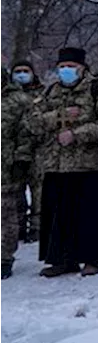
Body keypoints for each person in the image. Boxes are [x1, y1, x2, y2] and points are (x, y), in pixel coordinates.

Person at [25, 48, 98, 277]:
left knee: (89, 215)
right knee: (58, 215)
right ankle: (61, 259)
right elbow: (32, 121)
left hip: (88, 165)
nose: (65, 71)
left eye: (71, 66)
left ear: (82, 67)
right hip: (56, 164)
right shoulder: (50, 92)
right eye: (62, 67)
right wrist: (60, 116)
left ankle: (91, 259)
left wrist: (77, 134)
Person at [0, 71, 33, 280]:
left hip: (6, 166)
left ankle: (4, 258)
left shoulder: (19, 100)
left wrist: (21, 158)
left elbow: (27, 132)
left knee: (6, 216)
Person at [9, 60, 42, 243]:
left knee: (39, 191)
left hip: (39, 151)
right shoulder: (7, 95)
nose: (22, 74)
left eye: (25, 71)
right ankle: (18, 226)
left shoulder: (43, 93)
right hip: (12, 151)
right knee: (15, 191)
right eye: (18, 71)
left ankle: (37, 228)